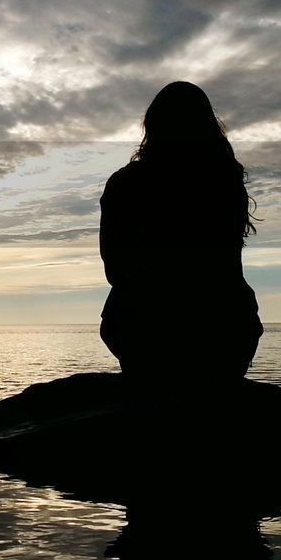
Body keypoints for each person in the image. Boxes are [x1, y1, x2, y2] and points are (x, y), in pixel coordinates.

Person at [99, 81, 263, 382]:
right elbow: (226, 264)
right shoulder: (223, 182)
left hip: (144, 334)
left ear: (152, 126)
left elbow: (115, 271)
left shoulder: (125, 184)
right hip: (227, 334)